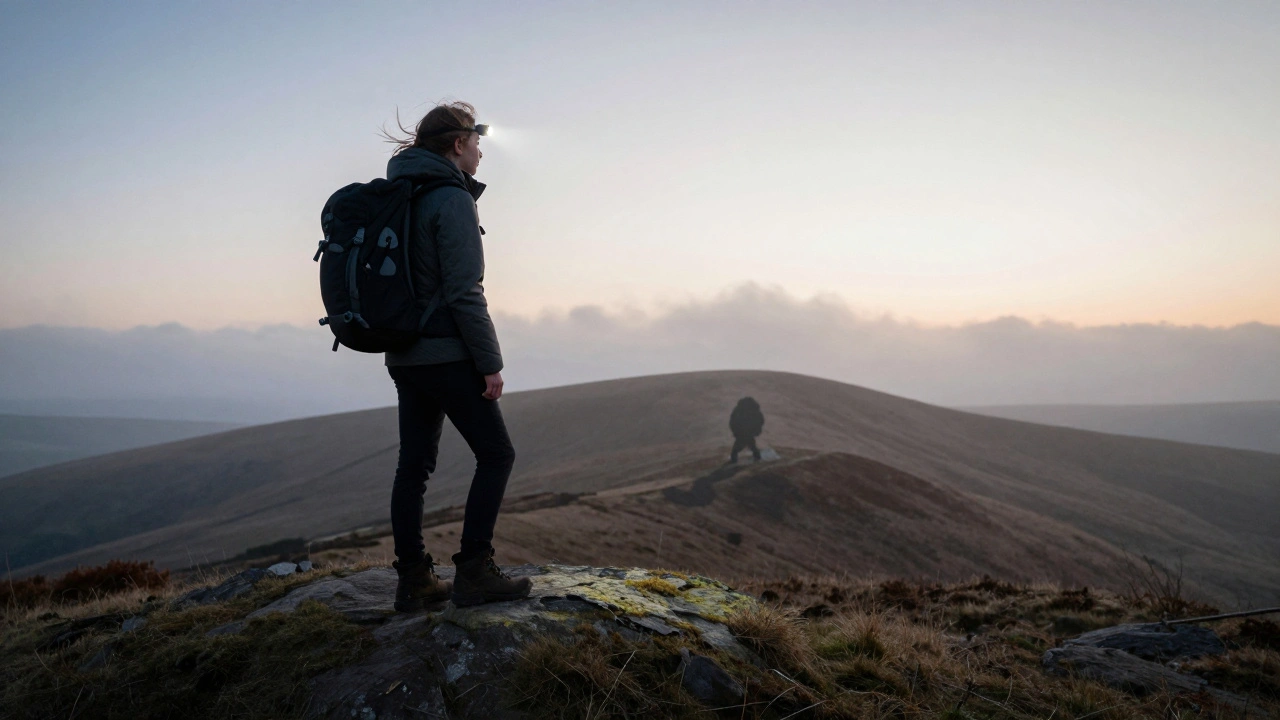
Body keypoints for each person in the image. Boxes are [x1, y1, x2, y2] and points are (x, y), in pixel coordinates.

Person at [381, 101, 531, 611]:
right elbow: (465, 291)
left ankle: (414, 582)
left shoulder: (401, 192)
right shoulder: (450, 198)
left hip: (403, 354)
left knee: (414, 465)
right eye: (476, 141)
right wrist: (489, 363)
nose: (481, 151)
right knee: (497, 454)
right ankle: (473, 571)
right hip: (447, 354)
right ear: (457, 144)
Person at [728, 397, 765, 463]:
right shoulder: (752, 410)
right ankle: (757, 457)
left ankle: (734, 459)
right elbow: (760, 421)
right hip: (745, 433)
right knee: (751, 445)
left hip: (745, 433)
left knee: (738, 448)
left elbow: (760, 421)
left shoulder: (739, 410)